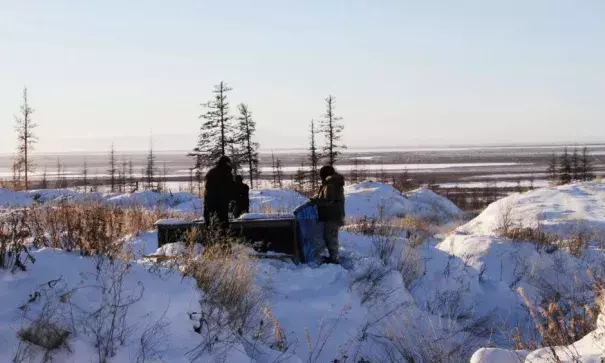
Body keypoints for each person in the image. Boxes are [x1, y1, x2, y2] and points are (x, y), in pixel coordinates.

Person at [310, 165, 345, 264]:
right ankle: (333, 258)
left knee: (331, 237)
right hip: (333, 214)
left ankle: (334, 259)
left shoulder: (331, 184)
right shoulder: (332, 183)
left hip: (332, 215)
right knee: (330, 237)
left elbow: (328, 200)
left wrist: (316, 201)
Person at [203, 156, 235, 229]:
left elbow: (207, 188)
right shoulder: (226, 173)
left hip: (209, 203)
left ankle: (211, 238)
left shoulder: (211, 172)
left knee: (210, 224)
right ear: (226, 163)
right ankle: (222, 239)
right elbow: (230, 188)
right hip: (221, 204)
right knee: (223, 225)